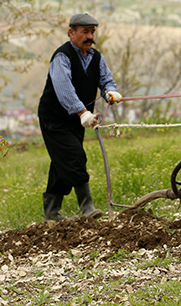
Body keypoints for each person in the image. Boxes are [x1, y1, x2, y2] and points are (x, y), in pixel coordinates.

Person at [38, 13, 122, 222]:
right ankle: (88, 208)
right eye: (85, 32)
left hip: (76, 120)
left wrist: (110, 91)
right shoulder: (62, 57)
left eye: (92, 32)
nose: (90, 36)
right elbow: (63, 88)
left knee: (62, 162)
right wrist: (82, 112)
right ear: (71, 33)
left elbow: (106, 80)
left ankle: (51, 214)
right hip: (55, 119)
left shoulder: (96, 57)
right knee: (75, 157)